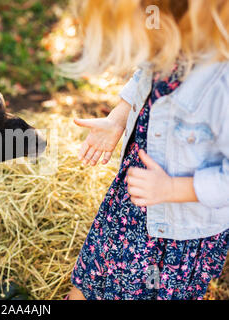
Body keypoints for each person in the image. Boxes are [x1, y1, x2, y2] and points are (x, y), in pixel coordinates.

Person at [60, 0, 229, 300]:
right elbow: (144, 79)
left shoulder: (221, 87)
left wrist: (173, 188)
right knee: (89, 282)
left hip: (178, 228)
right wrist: (118, 118)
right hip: (131, 203)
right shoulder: (167, 48)